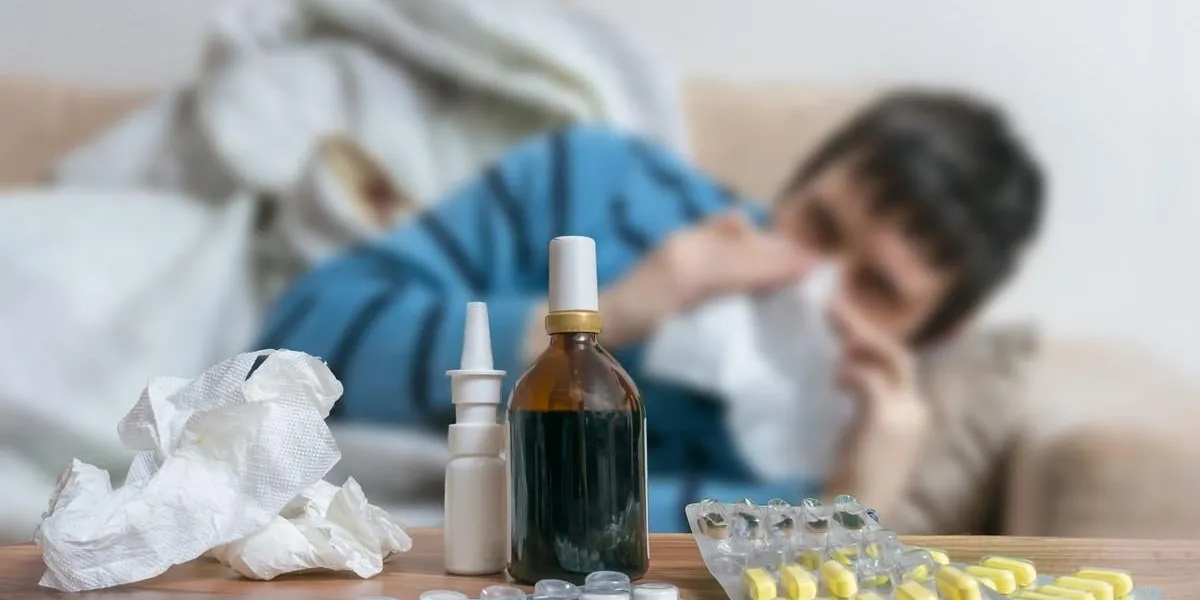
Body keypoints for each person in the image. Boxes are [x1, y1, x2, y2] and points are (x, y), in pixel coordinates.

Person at [256, 90, 1044, 532]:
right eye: (820, 227)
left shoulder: (847, 436)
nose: (817, 285)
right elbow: (291, 352)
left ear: (932, 335)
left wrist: (846, 506)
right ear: (791, 189)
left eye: (877, 288)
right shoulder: (592, 185)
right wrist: (603, 313)